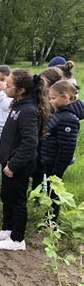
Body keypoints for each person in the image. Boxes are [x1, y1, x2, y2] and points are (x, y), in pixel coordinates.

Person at [0, 69, 49, 251]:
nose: (5, 86)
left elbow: (30, 143)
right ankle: (7, 229)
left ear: (20, 90)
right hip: (8, 162)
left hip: (19, 165)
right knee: (6, 196)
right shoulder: (19, 105)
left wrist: (13, 165)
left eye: (9, 84)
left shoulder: (28, 111)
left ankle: (17, 239)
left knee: (17, 200)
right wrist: (2, 156)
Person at [41, 80, 83, 222]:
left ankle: (52, 222)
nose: (50, 101)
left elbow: (67, 149)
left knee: (54, 192)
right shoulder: (59, 113)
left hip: (55, 163)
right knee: (50, 191)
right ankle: (47, 217)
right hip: (49, 159)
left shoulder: (68, 119)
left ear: (65, 98)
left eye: (53, 98)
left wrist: (58, 171)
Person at [30, 66, 64, 191]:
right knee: (37, 169)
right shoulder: (40, 98)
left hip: (48, 143)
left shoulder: (56, 104)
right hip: (40, 140)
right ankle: (37, 195)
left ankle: (42, 195)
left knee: (42, 170)